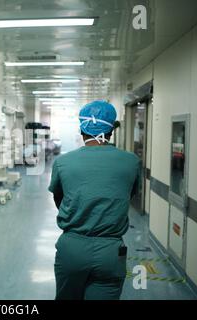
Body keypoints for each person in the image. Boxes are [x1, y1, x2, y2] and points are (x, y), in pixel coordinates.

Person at [48, 100, 141, 300]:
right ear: (111, 131)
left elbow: (59, 199)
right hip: (111, 250)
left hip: (72, 248)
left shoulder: (63, 162)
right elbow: (128, 195)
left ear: (82, 130)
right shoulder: (131, 162)